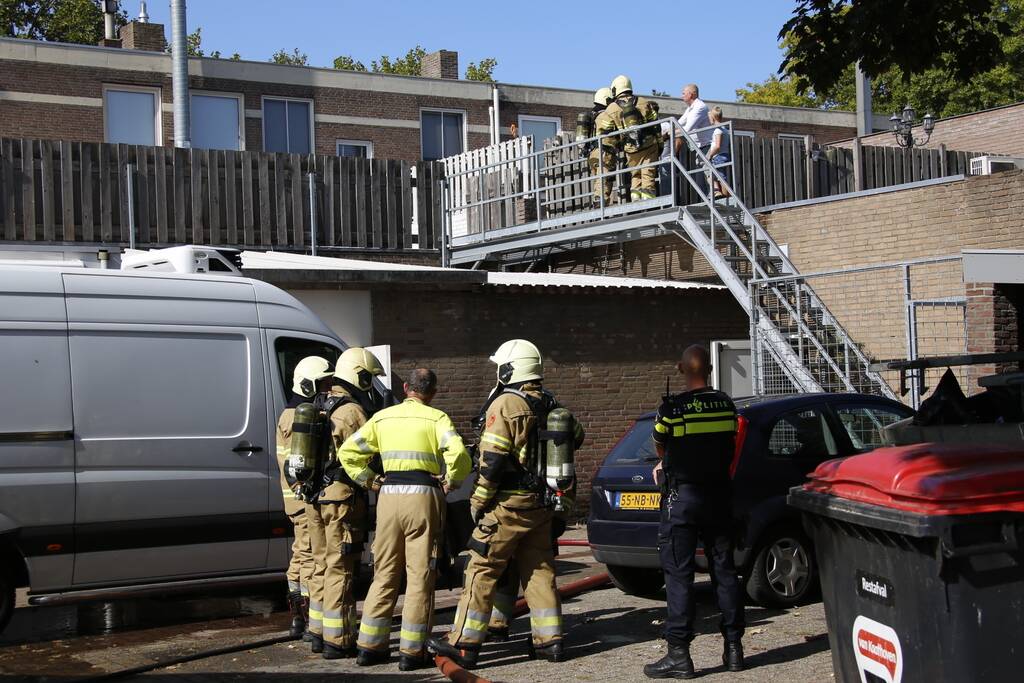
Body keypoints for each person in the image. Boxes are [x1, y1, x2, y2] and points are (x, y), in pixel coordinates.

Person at [428, 339, 584, 668]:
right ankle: (550, 641)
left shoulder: (506, 404)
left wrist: (478, 501)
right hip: (542, 506)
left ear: (509, 369)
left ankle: (464, 644)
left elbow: (493, 461)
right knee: (539, 571)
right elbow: (577, 437)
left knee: (481, 569)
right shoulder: (551, 403)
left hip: (508, 506)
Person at [340, 368, 471, 671]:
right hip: (423, 497)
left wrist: (371, 481)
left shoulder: (383, 418)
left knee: (385, 571)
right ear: (433, 393)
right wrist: (451, 481)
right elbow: (459, 455)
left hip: (388, 496)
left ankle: (369, 647)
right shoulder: (437, 418)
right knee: (420, 574)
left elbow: (348, 453)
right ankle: (411, 652)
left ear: (405, 388)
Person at [644, 345, 745, 679]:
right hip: (720, 497)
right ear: (711, 369)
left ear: (680, 369)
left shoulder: (671, 409)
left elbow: (661, 445)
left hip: (683, 500)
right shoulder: (726, 405)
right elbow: (730, 442)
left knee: (679, 575)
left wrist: (666, 462)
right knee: (724, 570)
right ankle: (734, 648)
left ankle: (679, 654)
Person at [305, 347, 385, 659]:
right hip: (340, 499)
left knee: (322, 564)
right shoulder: (351, 412)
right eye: (369, 378)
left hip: (315, 497)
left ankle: (317, 632)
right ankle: (338, 640)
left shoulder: (318, 403)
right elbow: (367, 456)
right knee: (341, 568)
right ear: (359, 376)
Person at [276, 356, 333, 640]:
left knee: (299, 555)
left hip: (293, 499)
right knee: (309, 557)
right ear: (309, 384)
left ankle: (298, 617)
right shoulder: (301, 416)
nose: (328, 389)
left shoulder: (287, 414)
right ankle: (311, 619)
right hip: (303, 499)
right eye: (323, 384)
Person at [605, 75, 662, 202]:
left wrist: (618, 145)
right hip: (649, 145)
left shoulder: (611, 108)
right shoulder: (643, 102)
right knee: (648, 173)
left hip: (630, 149)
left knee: (635, 174)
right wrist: (660, 143)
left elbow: (608, 132)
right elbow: (655, 124)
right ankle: (648, 203)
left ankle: (635, 200)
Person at [676, 84, 712, 199]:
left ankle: (712, 201)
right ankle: (707, 201)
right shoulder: (691, 108)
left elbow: (687, 129)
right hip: (699, 148)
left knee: (707, 177)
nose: (681, 96)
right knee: (700, 180)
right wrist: (667, 129)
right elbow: (679, 123)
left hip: (706, 147)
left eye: (683, 93)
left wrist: (669, 134)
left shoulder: (699, 107)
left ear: (691, 94)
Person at [587, 87, 617, 207]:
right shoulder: (605, 115)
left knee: (598, 179)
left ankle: (598, 201)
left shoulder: (592, 115)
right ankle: (600, 203)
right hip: (604, 152)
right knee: (604, 179)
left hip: (592, 153)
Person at [706, 106, 732, 200]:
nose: (708, 120)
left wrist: (710, 155)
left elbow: (717, 146)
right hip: (724, 155)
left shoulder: (718, 130)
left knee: (720, 178)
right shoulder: (724, 129)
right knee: (717, 177)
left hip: (718, 157)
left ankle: (727, 198)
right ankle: (723, 195)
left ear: (713, 117)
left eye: (709, 117)